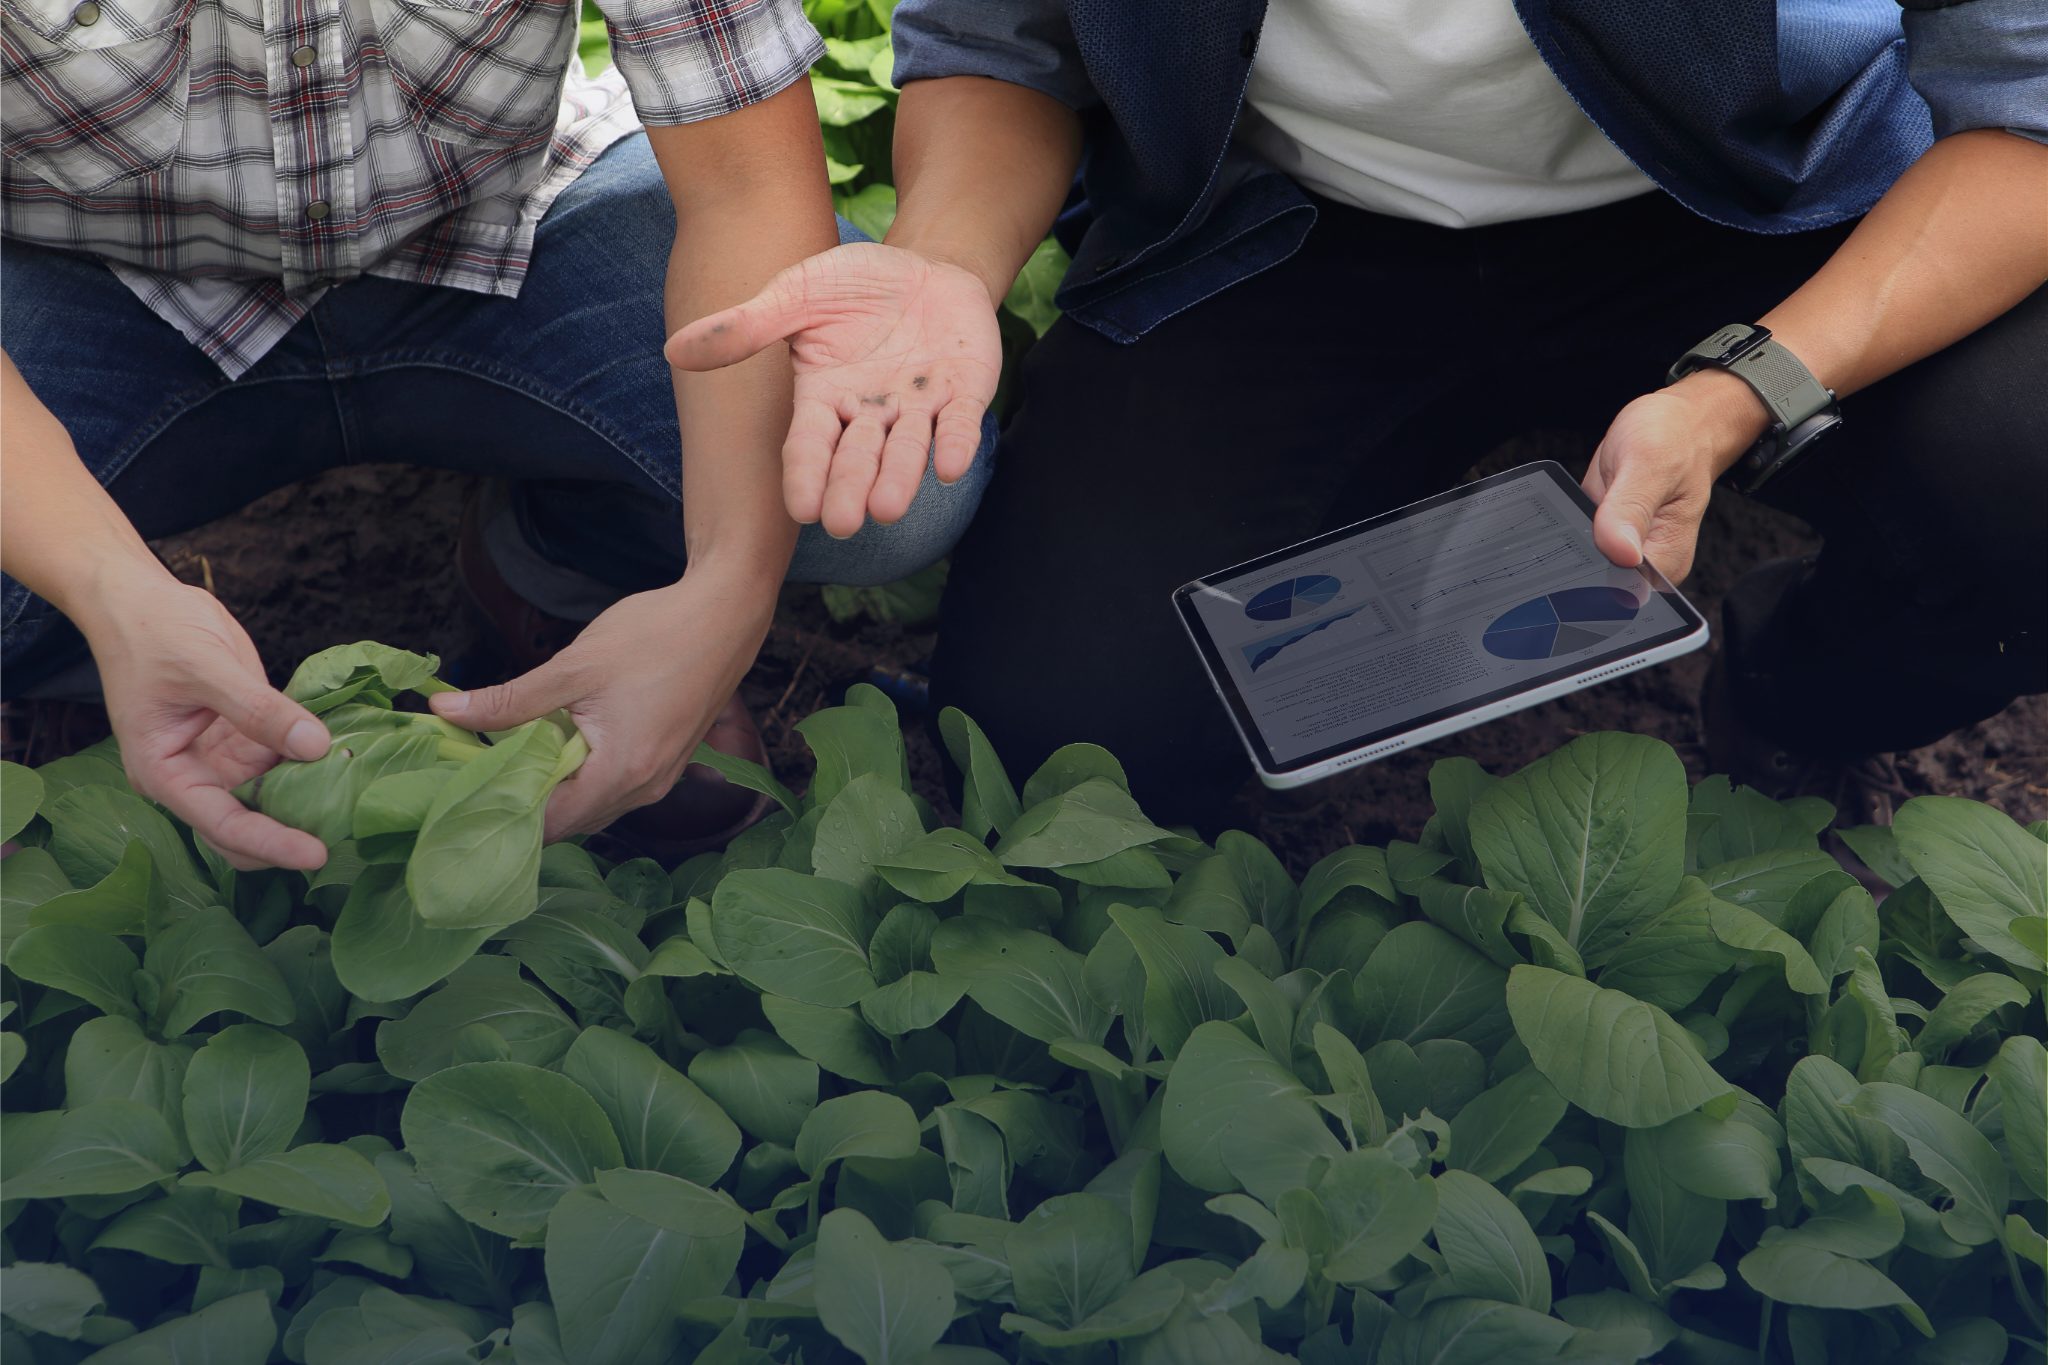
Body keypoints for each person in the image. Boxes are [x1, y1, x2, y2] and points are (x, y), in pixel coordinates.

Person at [670, 0, 2048, 829]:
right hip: (1295, 230)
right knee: (1070, 734)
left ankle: (1794, 686)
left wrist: (1750, 385)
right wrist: (949, 264)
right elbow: (1007, 42)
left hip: (1735, 206)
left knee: (2021, 475)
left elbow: (2025, 110)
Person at [0, 0, 995, 867]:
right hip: (90, 280)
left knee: (872, 471)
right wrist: (103, 587)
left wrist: (724, 588)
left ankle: (562, 571)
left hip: (501, 227)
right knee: (47, 573)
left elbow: (742, 179)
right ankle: (101, 651)